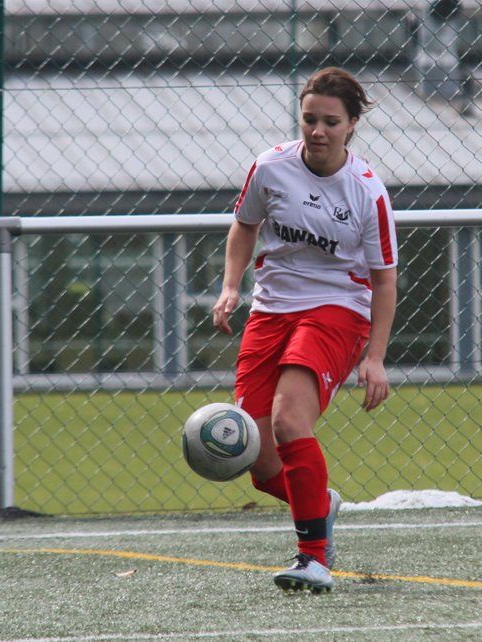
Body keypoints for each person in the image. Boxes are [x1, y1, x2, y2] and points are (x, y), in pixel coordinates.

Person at [211, 67, 398, 594]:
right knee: (255, 454)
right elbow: (245, 225)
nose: (317, 131)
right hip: (271, 311)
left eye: (330, 122)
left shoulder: (366, 192)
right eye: (309, 119)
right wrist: (230, 286)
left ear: (352, 125)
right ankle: (321, 504)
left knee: (290, 421)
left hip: (337, 311)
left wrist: (375, 357)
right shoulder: (270, 167)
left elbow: (384, 280)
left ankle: (314, 559)